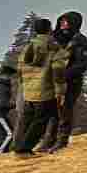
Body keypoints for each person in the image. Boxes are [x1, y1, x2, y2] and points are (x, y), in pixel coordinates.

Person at [41, 11, 86, 151]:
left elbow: (82, 64)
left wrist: (65, 74)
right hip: (52, 82)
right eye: (62, 21)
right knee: (52, 111)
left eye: (66, 21)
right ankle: (48, 140)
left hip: (71, 81)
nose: (63, 24)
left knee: (65, 110)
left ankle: (62, 140)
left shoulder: (80, 40)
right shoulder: (54, 38)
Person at [13, 19, 59, 155]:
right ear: (49, 29)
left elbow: (20, 68)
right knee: (41, 121)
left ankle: (18, 147)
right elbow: (58, 69)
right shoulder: (52, 46)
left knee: (28, 119)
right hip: (45, 90)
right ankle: (25, 149)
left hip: (29, 90)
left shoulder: (28, 47)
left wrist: (25, 84)